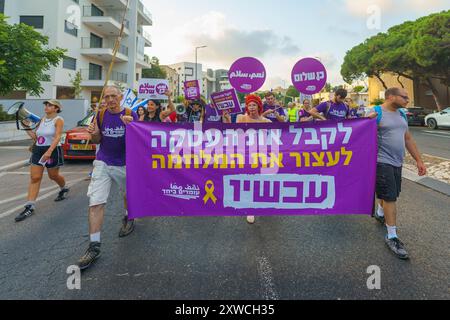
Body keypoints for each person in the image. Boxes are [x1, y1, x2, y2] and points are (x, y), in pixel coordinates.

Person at [77, 85, 138, 271]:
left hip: (125, 163)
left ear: (120, 97)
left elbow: (140, 140)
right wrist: (93, 133)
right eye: (107, 96)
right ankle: (94, 246)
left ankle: (129, 217)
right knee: (96, 202)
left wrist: (132, 126)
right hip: (103, 162)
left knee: (127, 194)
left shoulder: (131, 114)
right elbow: (96, 141)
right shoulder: (100, 115)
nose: (110, 99)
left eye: (113, 96)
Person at [369, 88, 427, 260]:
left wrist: (419, 160)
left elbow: (407, 138)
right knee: (390, 197)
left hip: (397, 162)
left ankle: (380, 213)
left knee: (391, 193)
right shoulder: (375, 112)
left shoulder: (401, 114)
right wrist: (364, 120)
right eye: (404, 97)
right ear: (390, 97)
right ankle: (392, 236)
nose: (407, 99)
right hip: (381, 161)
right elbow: (357, 129)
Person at [15, 100, 69, 222]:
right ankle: (30, 206)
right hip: (39, 149)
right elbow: (35, 137)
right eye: (46, 104)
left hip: (53, 150)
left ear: (56, 108)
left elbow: (57, 136)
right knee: (35, 178)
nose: (46, 106)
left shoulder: (58, 120)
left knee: (53, 175)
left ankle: (64, 188)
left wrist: (49, 151)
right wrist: (26, 127)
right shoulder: (41, 120)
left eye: (50, 105)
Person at [223, 94, 271, 225]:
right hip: (244, 155)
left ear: (259, 106)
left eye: (254, 105)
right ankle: (250, 209)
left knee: (259, 181)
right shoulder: (241, 118)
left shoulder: (266, 122)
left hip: (260, 155)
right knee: (247, 180)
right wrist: (227, 120)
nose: (251, 107)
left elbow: (276, 136)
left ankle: (259, 203)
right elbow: (232, 132)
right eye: (249, 105)